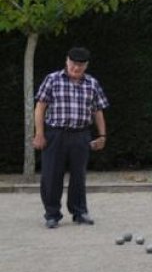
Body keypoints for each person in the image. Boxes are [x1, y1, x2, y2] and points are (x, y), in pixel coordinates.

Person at [33, 47, 109, 228]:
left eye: (81, 65)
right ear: (67, 61)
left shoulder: (92, 83)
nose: (77, 68)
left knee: (79, 176)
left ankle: (80, 212)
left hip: (81, 134)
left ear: (86, 65)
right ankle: (52, 214)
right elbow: (40, 107)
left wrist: (102, 135)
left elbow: (98, 110)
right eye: (74, 64)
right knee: (51, 175)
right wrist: (39, 133)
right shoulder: (52, 80)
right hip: (55, 133)